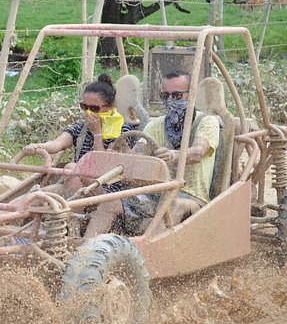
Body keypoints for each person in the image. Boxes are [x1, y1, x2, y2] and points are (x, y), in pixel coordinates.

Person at [84, 70, 220, 238]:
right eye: (165, 95)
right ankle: (82, 252)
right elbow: (138, 153)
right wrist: (124, 154)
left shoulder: (206, 121)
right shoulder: (156, 125)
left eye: (177, 96)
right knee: (109, 202)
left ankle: (149, 257)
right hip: (154, 193)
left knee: (172, 205)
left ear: (190, 95)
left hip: (190, 197)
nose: (170, 101)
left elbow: (198, 152)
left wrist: (173, 155)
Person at [20, 73, 135, 197]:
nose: (88, 112)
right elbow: (57, 143)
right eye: (84, 106)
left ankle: (75, 213)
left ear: (109, 107)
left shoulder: (123, 130)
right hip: (76, 183)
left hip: (106, 189)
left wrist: (97, 133)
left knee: (70, 168)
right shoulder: (81, 127)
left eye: (94, 108)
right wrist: (39, 146)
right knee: (35, 196)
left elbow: (102, 164)